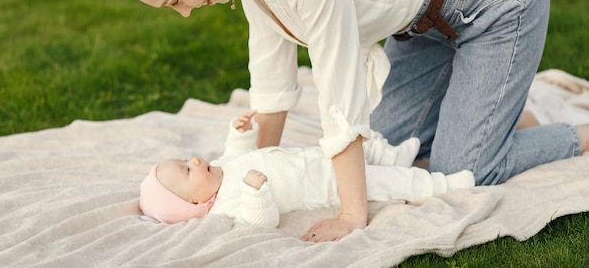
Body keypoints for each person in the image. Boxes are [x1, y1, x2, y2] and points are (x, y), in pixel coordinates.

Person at [113, 0, 589, 241]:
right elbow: (272, 75)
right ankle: (503, 107)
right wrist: (257, 164)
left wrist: (351, 214)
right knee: (393, 145)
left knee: (465, 170)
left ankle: (571, 131)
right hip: (423, 25)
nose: (183, 13)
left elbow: (339, 91)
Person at [139, 112, 474, 231]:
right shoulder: (226, 205)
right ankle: (439, 184)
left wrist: (240, 133)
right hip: (321, 185)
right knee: (380, 183)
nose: (195, 161)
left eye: (187, 159)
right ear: (195, 204)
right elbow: (262, 221)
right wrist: (257, 194)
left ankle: (393, 156)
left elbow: (237, 153)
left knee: (359, 147)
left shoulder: (220, 167)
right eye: (186, 171)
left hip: (314, 158)